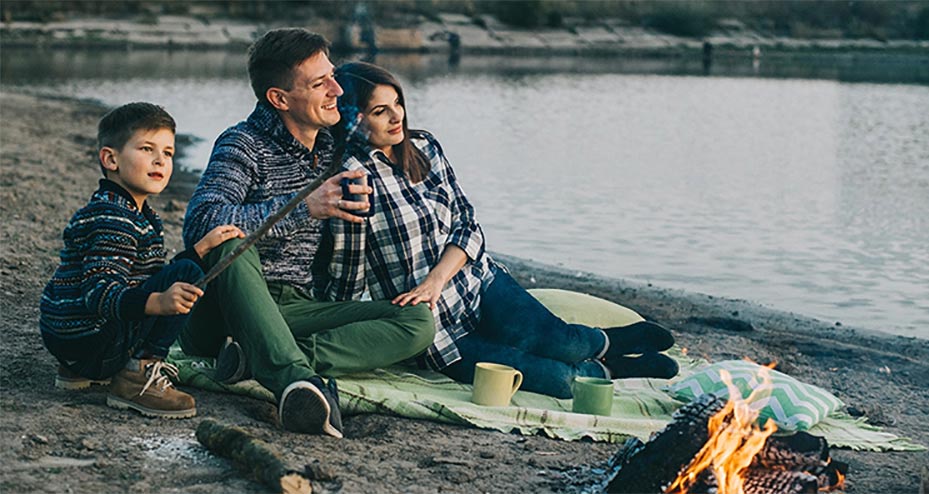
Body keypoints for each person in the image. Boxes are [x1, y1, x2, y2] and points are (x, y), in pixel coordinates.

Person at [322, 62, 679, 399]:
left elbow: (467, 224)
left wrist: (435, 280)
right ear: (352, 118)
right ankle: (610, 371)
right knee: (559, 380)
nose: (396, 115)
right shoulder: (350, 180)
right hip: (436, 330)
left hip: (478, 284)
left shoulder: (424, 147)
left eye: (397, 102)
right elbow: (348, 272)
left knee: (564, 344)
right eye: (379, 111)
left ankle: (606, 342)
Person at [180, 29, 435, 438]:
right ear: (279, 99)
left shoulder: (336, 144)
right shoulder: (243, 144)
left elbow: (389, 123)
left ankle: (258, 357)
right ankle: (296, 382)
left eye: (332, 76)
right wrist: (305, 207)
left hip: (298, 306)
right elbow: (202, 223)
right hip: (224, 307)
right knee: (229, 236)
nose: (337, 89)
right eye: (320, 84)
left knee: (418, 321)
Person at [40, 102, 244, 419]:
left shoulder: (122, 211)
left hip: (70, 337)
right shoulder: (115, 219)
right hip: (89, 338)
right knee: (187, 275)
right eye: (147, 149)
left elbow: (141, 277)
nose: (160, 160)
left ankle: (77, 370)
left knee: (186, 268)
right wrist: (157, 303)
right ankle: (137, 376)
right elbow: (99, 292)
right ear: (111, 159)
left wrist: (200, 249)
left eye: (168, 153)